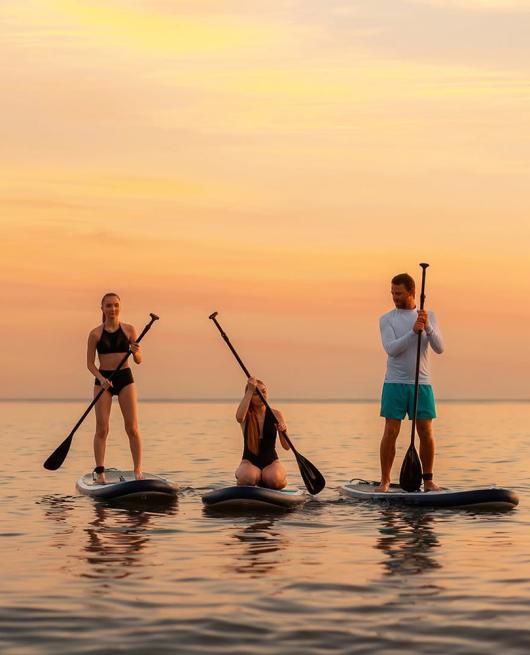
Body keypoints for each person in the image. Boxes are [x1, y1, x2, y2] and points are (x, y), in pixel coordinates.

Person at [377, 273, 444, 492]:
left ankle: (428, 480)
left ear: (412, 292)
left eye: (399, 293)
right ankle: (385, 480)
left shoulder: (428, 315)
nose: (394, 297)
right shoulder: (387, 319)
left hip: (422, 383)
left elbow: (440, 348)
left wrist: (428, 327)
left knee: (425, 432)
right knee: (391, 431)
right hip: (395, 383)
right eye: (392, 293)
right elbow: (391, 349)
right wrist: (413, 331)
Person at [87, 292, 143, 484]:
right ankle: (100, 473)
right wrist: (101, 379)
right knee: (102, 428)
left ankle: (137, 471)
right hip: (104, 381)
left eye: (115, 305)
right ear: (102, 308)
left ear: (120, 307)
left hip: (125, 379)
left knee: (132, 427)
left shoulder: (129, 330)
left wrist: (136, 353)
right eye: (108, 306)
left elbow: (138, 360)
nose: (112, 309)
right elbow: (90, 364)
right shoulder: (95, 334)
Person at [235, 377, 290, 489]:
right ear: (249, 396)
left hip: (271, 462)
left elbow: (286, 446)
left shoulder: (276, 414)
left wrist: (284, 430)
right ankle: (253, 478)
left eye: (263, 392)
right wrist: (250, 389)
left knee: (274, 479)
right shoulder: (246, 415)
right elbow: (239, 417)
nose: (261, 396)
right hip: (249, 462)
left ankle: (274, 480)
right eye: (256, 394)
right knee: (248, 478)